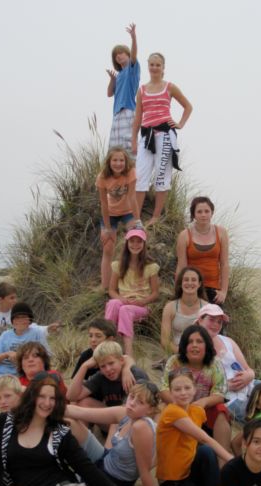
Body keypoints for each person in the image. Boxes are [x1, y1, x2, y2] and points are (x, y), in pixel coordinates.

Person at [0, 375, 190, 486]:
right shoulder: (6, 423)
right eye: (42, 397)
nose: (46, 403)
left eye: (52, 399)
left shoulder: (59, 432)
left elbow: (88, 470)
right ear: (32, 397)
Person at [65, 380, 163, 486]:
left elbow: (144, 471)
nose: (132, 403)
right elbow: (80, 412)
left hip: (114, 481)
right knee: (70, 422)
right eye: (131, 396)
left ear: (150, 409)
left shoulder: (141, 427)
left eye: (140, 402)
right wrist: (48, 408)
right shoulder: (126, 413)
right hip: (104, 460)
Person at [156, 368, 233, 486]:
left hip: (190, 473)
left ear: (195, 389)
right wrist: (231, 459)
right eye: (177, 389)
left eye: (187, 388)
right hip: (173, 485)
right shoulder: (172, 411)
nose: (183, 392)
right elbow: (205, 438)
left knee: (205, 452)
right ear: (170, 393)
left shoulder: (197, 411)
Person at [195, 303, 261, 423]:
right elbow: (198, 384)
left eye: (219, 322)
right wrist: (226, 386)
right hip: (229, 396)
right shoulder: (194, 347)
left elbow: (248, 369)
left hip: (250, 385)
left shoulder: (227, 341)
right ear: (200, 321)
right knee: (257, 417)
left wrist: (249, 376)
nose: (215, 325)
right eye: (211, 320)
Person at [132, 52, 192, 224]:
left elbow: (188, 106)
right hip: (146, 135)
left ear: (163, 67)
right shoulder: (142, 90)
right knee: (141, 176)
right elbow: (138, 117)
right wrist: (133, 140)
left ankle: (156, 217)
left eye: (158, 65)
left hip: (165, 135)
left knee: (161, 175)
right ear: (148, 66)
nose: (155, 68)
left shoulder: (170, 87)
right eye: (152, 64)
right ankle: (136, 219)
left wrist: (180, 123)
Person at [160, 325, 231, 452]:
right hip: (177, 406)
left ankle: (224, 462)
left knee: (221, 411)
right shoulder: (174, 361)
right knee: (162, 408)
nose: (194, 345)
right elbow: (164, 390)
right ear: (184, 346)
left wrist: (203, 403)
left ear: (206, 345)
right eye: (190, 342)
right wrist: (181, 405)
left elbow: (219, 394)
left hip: (203, 411)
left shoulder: (215, 364)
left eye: (199, 341)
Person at [0, 303, 51, 394]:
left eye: (24, 317)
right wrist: (6, 354)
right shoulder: (6, 335)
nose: (20, 320)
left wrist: (23, 359)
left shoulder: (37, 333)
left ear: (30, 319)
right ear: (12, 320)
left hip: (21, 372)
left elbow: (47, 356)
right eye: (17, 318)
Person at [105, 228, 159, 356]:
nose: (135, 245)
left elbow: (155, 293)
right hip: (124, 301)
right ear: (127, 243)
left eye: (139, 242)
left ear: (144, 244)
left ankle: (128, 353)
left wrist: (142, 301)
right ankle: (106, 342)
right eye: (132, 241)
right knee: (113, 303)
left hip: (142, 306)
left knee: (125, 310)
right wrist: (121, 299)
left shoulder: (150, 267)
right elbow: (111, 290)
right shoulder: (118, 265)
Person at [97, 147, 141, 289]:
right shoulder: (102, 177)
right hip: (110, 213)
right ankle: (105, 287)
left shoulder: (130, 173)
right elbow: (103, 203)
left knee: (135, 239)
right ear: (109, 162)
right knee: (108, 247)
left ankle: (133, 281)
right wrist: (108, 228)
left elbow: (132, 197)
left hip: (128, 211)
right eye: (115, 160)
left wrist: (137, 220)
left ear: (125, 161)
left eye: (121, 160)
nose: (118, 163)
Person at [67, 341, 147, 412]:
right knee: (83, 403)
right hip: (112, 418)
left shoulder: (135, 375)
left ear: (121, 360)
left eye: (111, 363)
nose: (108, 369)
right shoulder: (101, 376)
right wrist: (84, 366)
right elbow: (71, 396)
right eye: (103, 366)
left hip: (133, 420)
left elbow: (137, 409)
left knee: (121, 416)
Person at [176, 197, 229, 304]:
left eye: (206, 211)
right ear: (193, 214)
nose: (203, 215)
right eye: (199, 212)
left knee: (213, 319)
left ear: (212, 213)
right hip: (192, 288)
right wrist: (178, 292)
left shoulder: (222, 232)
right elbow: (181, 266)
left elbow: (224, 264)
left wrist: (223, 291)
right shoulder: (184, 235)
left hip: (214, 289)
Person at [107, 23, 140, 156]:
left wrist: (133, 38)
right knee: (114, 150)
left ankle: (133, 175)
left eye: (121, 53)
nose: (119, 56)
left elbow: (134, 54)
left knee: (128, 150)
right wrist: (112, 79)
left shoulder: (132, 69)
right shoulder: (119, 75)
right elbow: (109, 93)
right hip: (116, 115)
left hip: (128, 111)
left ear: (127, 54)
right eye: (116, 55)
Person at [161, 266, 208, 355]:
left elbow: (211, 338)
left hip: (200, 354)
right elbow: (165, 341)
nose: (190, 283)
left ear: (199, 284)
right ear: (181, 283)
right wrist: (183, 353)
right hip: (177, 353)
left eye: (193, 280)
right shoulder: (170, 307)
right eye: (186, 280)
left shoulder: (206, 307)